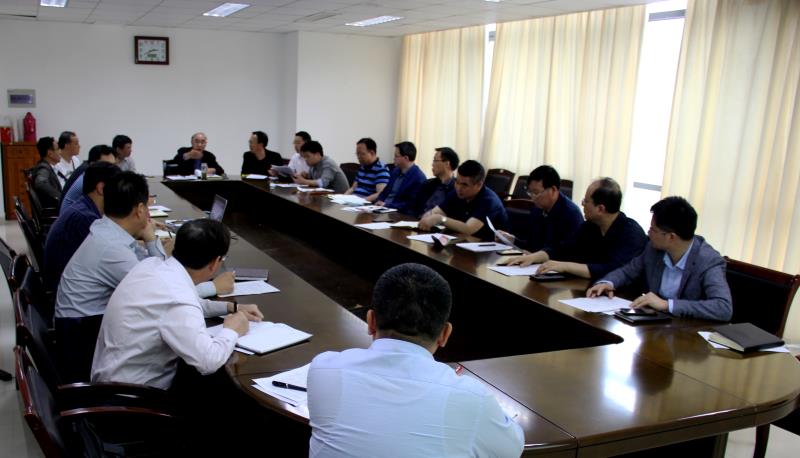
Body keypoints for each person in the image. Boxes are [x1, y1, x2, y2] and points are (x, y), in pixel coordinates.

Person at [307, 263, 524, 457]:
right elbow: (512, 448)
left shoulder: (324, 369)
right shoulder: (473, 399)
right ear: (445, 334)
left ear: (370, 321)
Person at [92, 219, 263, 390]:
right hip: (131, 397)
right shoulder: (177, 298)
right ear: (215, 263)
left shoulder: (151, 266)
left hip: (108, 381)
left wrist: (231, 307)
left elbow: (186, 304)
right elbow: (208, 361)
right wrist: (232, 330)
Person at [587, 196, 733, 321]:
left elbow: (723, 308)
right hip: (654, 325)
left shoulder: (708, 261)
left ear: (671, 237)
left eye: (653, 229)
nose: (648, 233)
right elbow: (627, 271)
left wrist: (667, 305)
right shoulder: (654, 249)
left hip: (687, 334)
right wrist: (607, 283)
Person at [507, 177, 647, 279]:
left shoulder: (631, 234)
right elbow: (564, 248)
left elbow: (611, 269)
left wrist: (564, 266)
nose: (582, 205)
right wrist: (535, 257)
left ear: (600, 209)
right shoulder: (590, 226)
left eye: (586, 201)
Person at [43, 161, 120, 292]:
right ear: (101, 188)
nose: (121, 194)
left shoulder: (83, 207)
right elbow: (110, 262)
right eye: (118, 188)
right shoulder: (85, 219)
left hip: (68, 285)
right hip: (71, 293)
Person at [496, 165, 583, 252]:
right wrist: (512, 240)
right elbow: (531, 245)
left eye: (536, 193)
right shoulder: (538, 209)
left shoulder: (571, 215)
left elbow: (567, 254)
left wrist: (535, 256)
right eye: (530, 192)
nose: (532, 198)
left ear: (553, 190)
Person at [419, 160, 509, 241]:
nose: (459, 188)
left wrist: (440, 219)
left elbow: (468, 229)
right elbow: (434, 212)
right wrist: (428, 217)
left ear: (479, 185)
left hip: (489, 248)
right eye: (457, 182)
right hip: (463, 242)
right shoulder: (456, 193)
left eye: (465, 185)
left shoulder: (489, 200)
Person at [60, 144, 117, 212]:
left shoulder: (89, 171)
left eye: (113, 165)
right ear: (93, 164)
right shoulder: (87, 177)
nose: (112, 170)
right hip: (74, 216)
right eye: (107, 166)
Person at [375, 141, 427, 214]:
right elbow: (384, 192)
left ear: (406, 158)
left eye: (396, 156)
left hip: (399, 213)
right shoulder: (395, 171)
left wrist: (387, 205)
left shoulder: (418, 178)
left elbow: (410, 204)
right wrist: (379, 201)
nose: (394, 158)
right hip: (383, 209)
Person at [414, 146, 459, 216]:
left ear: (447, 164)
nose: (432, 164)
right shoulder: (427, 184)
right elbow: (415, 208)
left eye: (435, 160)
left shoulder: (457, 189)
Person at [344, 137, 389, 202]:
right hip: (354, 202)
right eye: (357, 154)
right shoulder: (362, 167)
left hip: (365, 204)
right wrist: (343, 197)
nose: (358, 157)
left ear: (372, 153)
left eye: (362, 154)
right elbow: (353, 188)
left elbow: (380, 194)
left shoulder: (381, 169)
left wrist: (361, 201)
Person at [31, 136, 63, 208]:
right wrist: (61, 197)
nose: (60, 152)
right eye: (58, 149)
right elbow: (40, 183)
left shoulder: (47, 166)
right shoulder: (43, 168)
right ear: (50, 153)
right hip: (53, 210)